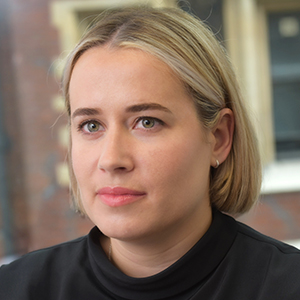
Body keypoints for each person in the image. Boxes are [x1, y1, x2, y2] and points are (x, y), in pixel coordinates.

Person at [0, 6, 299, 300]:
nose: (111, 159)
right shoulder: (17, 289)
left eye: (147, 122)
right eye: (91, 125)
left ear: (219, 137)